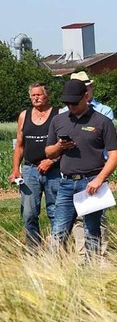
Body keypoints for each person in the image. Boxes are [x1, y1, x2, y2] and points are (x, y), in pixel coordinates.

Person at [45, 79, 117, 260]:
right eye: (66, 103)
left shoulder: (102, 121)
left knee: (91, 230)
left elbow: (115, 154)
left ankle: (91, 267)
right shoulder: (58, 120)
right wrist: (60, 146)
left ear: (85, 96)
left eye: (74, 102)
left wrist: (99, 179)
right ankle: (54, 268)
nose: (70, 106)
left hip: (91, 184)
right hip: (66, 183)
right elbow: (49, 152)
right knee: (59, 230)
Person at [66, 71, 114, 259]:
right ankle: (82, 254)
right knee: (78, 217)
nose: (86, 90)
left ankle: (101, 253)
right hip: (73, 171)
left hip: (96, 171)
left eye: (87, 86)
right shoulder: (64, 112)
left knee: (97, 216)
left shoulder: (104, 110)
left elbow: (108, 145)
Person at [8, 83, 61, 249]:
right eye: (33, 95)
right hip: (30, 170)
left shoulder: (59, 114)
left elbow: (65, 144)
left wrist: (51, 161)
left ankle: (58, 249)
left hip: (54, 171)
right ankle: (33, 249)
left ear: (47, 96)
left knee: (55, 212)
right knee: (29, 213)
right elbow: (20, 145)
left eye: (39, 95)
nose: (36, 98)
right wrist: (16, 169)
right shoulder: (24, 115)